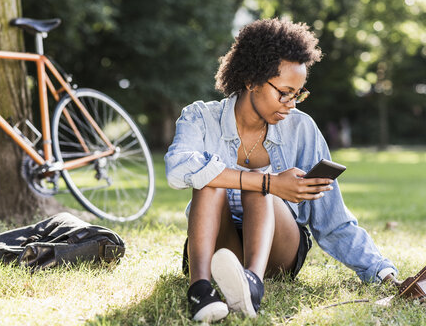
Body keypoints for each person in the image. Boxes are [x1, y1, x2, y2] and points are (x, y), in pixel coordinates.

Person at [164, 18, 399, 323]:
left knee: (261, 188)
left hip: (277, 248)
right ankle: (200, 291)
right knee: (209, 179)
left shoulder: (302, 129)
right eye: (284, 92)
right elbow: (177, 168)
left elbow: (333, 220)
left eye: (298, 94)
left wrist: (381, 270)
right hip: (216, 243)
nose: (291, 104)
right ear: (251, 80)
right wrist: (269, 181)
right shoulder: (200, 117)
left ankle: (252, 284)